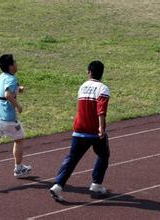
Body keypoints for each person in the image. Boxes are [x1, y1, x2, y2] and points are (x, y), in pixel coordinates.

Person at [50, 60, 110, 202]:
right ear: (102, 73)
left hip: (79, 129)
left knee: (72, 159)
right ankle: (96, 184)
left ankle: (58, 185)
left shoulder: (82, 87)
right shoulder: (103, 89)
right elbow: (101, 110)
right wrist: (101, 127)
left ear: (89, 72)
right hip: (94, 131)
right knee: (104, 155)